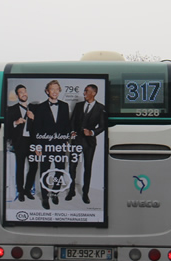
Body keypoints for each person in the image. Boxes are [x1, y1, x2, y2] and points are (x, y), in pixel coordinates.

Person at [31, 79, 71, 209]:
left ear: (59, 91)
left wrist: (66, 141)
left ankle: (55, 192)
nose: (54, 92)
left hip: (60, 144)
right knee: (45, 171)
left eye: (56, 89)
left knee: (60, 169)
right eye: (52, 89)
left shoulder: (65, 106)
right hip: (45, 145)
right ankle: (44, 197)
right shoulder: (41, 107)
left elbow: (66, 125)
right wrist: (38, 146)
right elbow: (37, 128)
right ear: (47, 91)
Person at [67, 84, 106, 204]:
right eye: (84, 91)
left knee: (87, 167)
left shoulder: (101, 108)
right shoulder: (79, 106)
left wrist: (92, 132)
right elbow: (72, 121)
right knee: (72, 166)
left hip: (89, 142)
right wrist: (72, 131)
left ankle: (85, 193)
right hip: (76, 140)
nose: (84, 93)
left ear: (93, 93)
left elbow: (103, 126)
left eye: (86, 91)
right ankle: (71, 190)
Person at [6, 84, 37, 202]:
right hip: (20, 141)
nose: (23, 94)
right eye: (20, 92)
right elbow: (7, 129)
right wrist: (15, 122)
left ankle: (27, 189)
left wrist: (33, 118)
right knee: (20, 167)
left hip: (32, 141)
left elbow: (41, 126)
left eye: (25, 91)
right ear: (17, 95)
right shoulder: (11, 109)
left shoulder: (35, 108)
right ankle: (20, 191)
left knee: (34, 166)